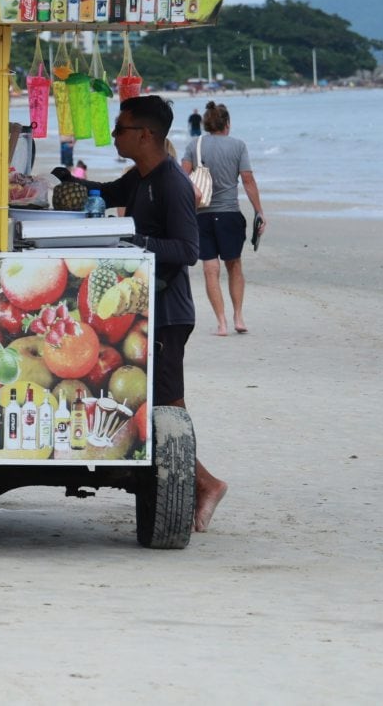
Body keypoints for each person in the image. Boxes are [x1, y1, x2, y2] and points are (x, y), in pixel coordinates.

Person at [89, 96, 227, 532]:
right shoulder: (141, 176)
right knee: (160, 402)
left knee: (169, 404)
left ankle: (205, 484)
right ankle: (197, 482)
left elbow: (188, 250)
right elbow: (108, 193)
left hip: (168, 313)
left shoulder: (171, 183)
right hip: (146, 310)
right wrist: (62, 181)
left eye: (121, 129)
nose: (115, 135)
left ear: (145, 135)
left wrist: (135, 246)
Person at [182, 103, 264, 336]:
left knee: (210, 269)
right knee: (234, 265)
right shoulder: (238, 145)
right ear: (227, 124)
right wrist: (259, 211)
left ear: (207, 124)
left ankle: (221, 322)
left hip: (202, 215)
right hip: (229, 214)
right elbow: (247, 180)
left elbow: (181, 176)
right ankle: (238, 317)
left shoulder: (194, 145)